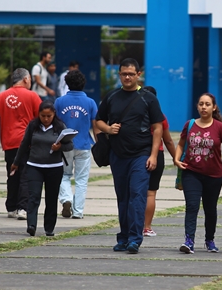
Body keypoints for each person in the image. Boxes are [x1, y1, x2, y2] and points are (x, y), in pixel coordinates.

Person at [95, 58, 165, 254]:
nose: (127, 77)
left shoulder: (148, 98)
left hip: (141, 155)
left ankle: (135, 239)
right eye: (124, 74)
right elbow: (98, 120)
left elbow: (158, 127)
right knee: (123, 198)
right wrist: (108, 128)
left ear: (138, 75)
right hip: (118, 155)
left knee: (137, 195)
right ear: (119, 75)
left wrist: (153, 155)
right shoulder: (111, 97)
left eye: (131, 74)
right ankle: (124, 237)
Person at [174, 93, 222, 253]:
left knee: (210, 208)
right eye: (201, 104)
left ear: (214, 107)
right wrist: (176, 159)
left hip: (213, 175)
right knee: (192, 206)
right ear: (197, 106)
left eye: (207, 104)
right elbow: (180, 145)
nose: (203, 107)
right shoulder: (190, 124)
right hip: (191, 172)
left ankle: (210, 240)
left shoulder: (220, 127)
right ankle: (189, 241)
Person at [0, 68, 41, 220]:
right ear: (25, 79)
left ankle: (11, 207)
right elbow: (43, 116)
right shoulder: (32, 96)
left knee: (12, 174)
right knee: (26, 175)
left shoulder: (2, 96)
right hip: (27, 143)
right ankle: (23, 208)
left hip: (9, 143)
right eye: (30, 80)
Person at [11, 101, 73, 237]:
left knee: (51, 198)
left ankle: (49, 228)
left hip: (54, 168)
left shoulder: (59, 127)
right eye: (43, 116)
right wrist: (16, 162)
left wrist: (60, 147)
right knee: (34, 196)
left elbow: (69, 146)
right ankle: (31, 225)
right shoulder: (33, 126)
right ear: (38, 114)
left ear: (54, 115)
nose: (45, 119)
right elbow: (24, 144)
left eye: (49, 116)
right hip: (34, 166)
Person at [54, 70, 99, 219]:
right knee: (81, 180)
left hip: (65, 145)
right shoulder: (90, 102)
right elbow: (96, 125)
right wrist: (99, 144)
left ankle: (66, 199)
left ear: (67, 83)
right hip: (84, 145)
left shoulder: (59, 102)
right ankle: (78, 211)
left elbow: (54, 123)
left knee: (63, 175)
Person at [142, 86, 176, 237]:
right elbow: (168, 140)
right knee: (150, 193)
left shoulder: (136, 114)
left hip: (138, 154)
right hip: (158, 155)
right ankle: (147, 227)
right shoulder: (160, 116)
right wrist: (176, 157)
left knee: (135, 193)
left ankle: (133, 225)